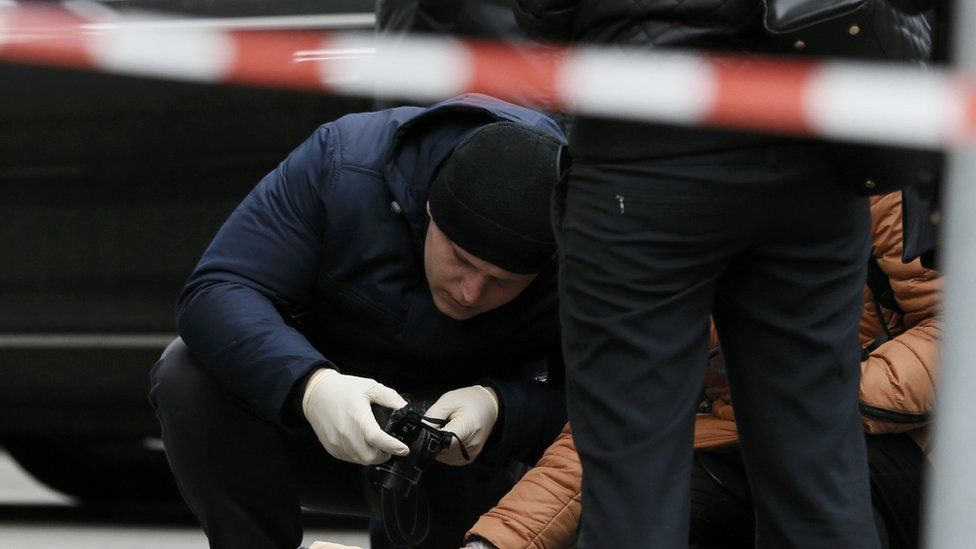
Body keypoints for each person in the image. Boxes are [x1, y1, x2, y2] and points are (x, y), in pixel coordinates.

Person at [514, 2, 914, 546]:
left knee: (633, 492)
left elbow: (543, 14)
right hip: (814, 140)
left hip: (645, 152)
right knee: (818, 477)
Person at [149, 93, 568, 549]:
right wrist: (309, 385)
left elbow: (606, 404)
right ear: (430, 208)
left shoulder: (590, 235)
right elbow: (216, 291)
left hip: (467, 463)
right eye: (461, 260)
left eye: (502, 281)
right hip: (318, 424)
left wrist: (502, 408)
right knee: (187, 373)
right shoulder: (343, 165)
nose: (471, 292)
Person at [463, 191, 940, 549]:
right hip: (743, 442)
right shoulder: (649, 232)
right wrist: (495, 543)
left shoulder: (873, 183)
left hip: (904, 449)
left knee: (819, 493)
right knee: (643, 512)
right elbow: (612, 428)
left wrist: (805, 399)